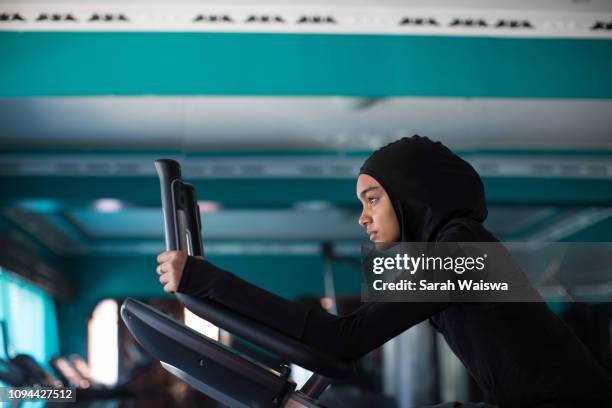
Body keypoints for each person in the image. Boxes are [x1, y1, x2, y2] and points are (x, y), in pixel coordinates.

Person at [156, 136, 612, 407]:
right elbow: (343, 339)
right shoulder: (452, 249)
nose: (362, 217)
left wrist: (205, 280)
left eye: (372, 198)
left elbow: (344, 338)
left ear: (412, 194)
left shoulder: (461, 252)